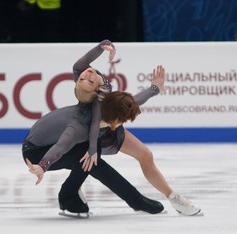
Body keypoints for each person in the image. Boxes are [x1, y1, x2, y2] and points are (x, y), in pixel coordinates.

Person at [25, 64, 202, 216]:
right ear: (116, 122)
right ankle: (70, 196)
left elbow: (135, 101)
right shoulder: (79, 128)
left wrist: (155, 88)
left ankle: (173, 198)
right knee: (90, 157)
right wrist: (43, 165)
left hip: (94, 131)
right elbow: (62, 145)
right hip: (38, 151)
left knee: (145, 154)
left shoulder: (109, 105)